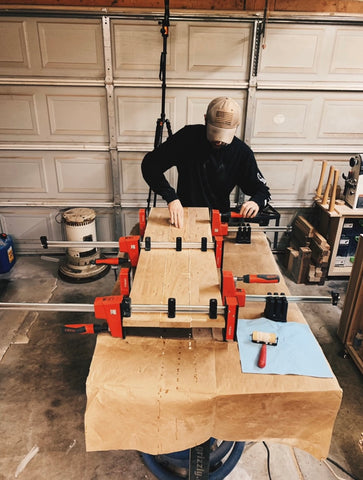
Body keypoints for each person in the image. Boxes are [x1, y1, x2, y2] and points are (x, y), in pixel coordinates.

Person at [141, 96, 270, 229]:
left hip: (218, 222)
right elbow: (150, 165)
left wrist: (256, 202)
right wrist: (171, 198)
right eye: (214, 132)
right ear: (205, 119)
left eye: (223, 134)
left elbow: (263, 191)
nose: (219, 141)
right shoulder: (187, 138)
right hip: (184, 219)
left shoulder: (241, 153)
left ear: (236, 127)